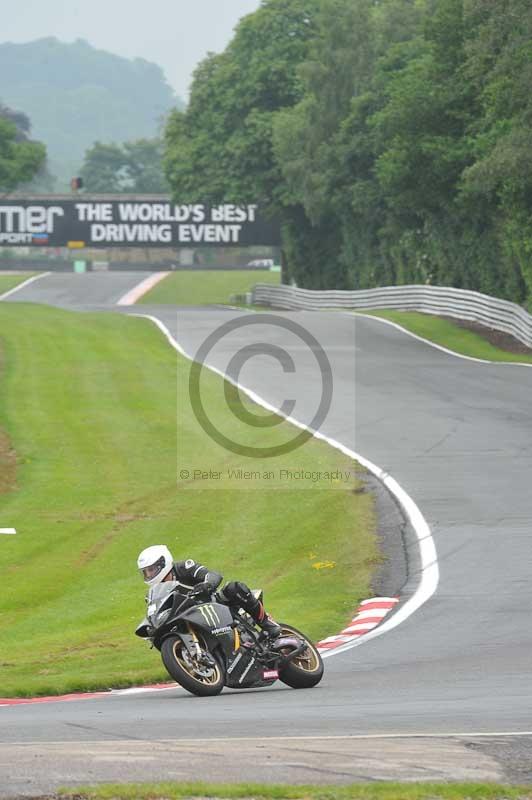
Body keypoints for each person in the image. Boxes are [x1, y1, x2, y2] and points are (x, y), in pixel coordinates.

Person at [137, 544, 281, 638]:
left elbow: (213, 575)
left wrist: (206, 584)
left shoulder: (184, 568)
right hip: (189, 619)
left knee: (234, 588)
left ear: (163, 563)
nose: (149, 575)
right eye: (145, 572)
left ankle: (267, 622)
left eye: (151, 570)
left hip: (213, 604)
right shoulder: (153, 593)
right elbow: (156, 612)